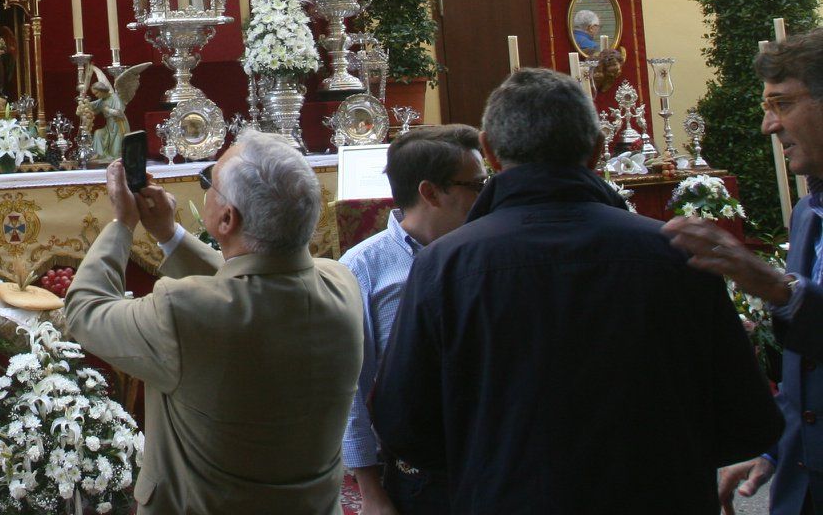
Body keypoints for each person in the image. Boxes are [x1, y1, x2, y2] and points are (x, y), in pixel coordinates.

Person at [373, 69, 781, 515]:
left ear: (488, 150)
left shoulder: (444, 265)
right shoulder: (677, 253)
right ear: (599, 149)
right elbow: (745, 417)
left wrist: (490, 461)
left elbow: (404, 425)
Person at [61, 131, 363, 514]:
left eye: (210, 184)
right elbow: (253, 282)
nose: (206, 190)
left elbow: (86, 310)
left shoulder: (182, 311)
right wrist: (169, 237)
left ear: (226, 217)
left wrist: (123, 223)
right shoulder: (341, 284)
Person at [665, 27, 823, 514]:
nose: (767, 126)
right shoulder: (807, 213)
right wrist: (777, 447)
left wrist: (772, 284)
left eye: (781, 104)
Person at [340, 125, 485, 515]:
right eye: (475, 184)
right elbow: (350, 385)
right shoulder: (363, 269)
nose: (486, 194)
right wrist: (371, 492)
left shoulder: (491, 253)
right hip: (422, 477)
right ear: (430, 192)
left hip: (496, 459)